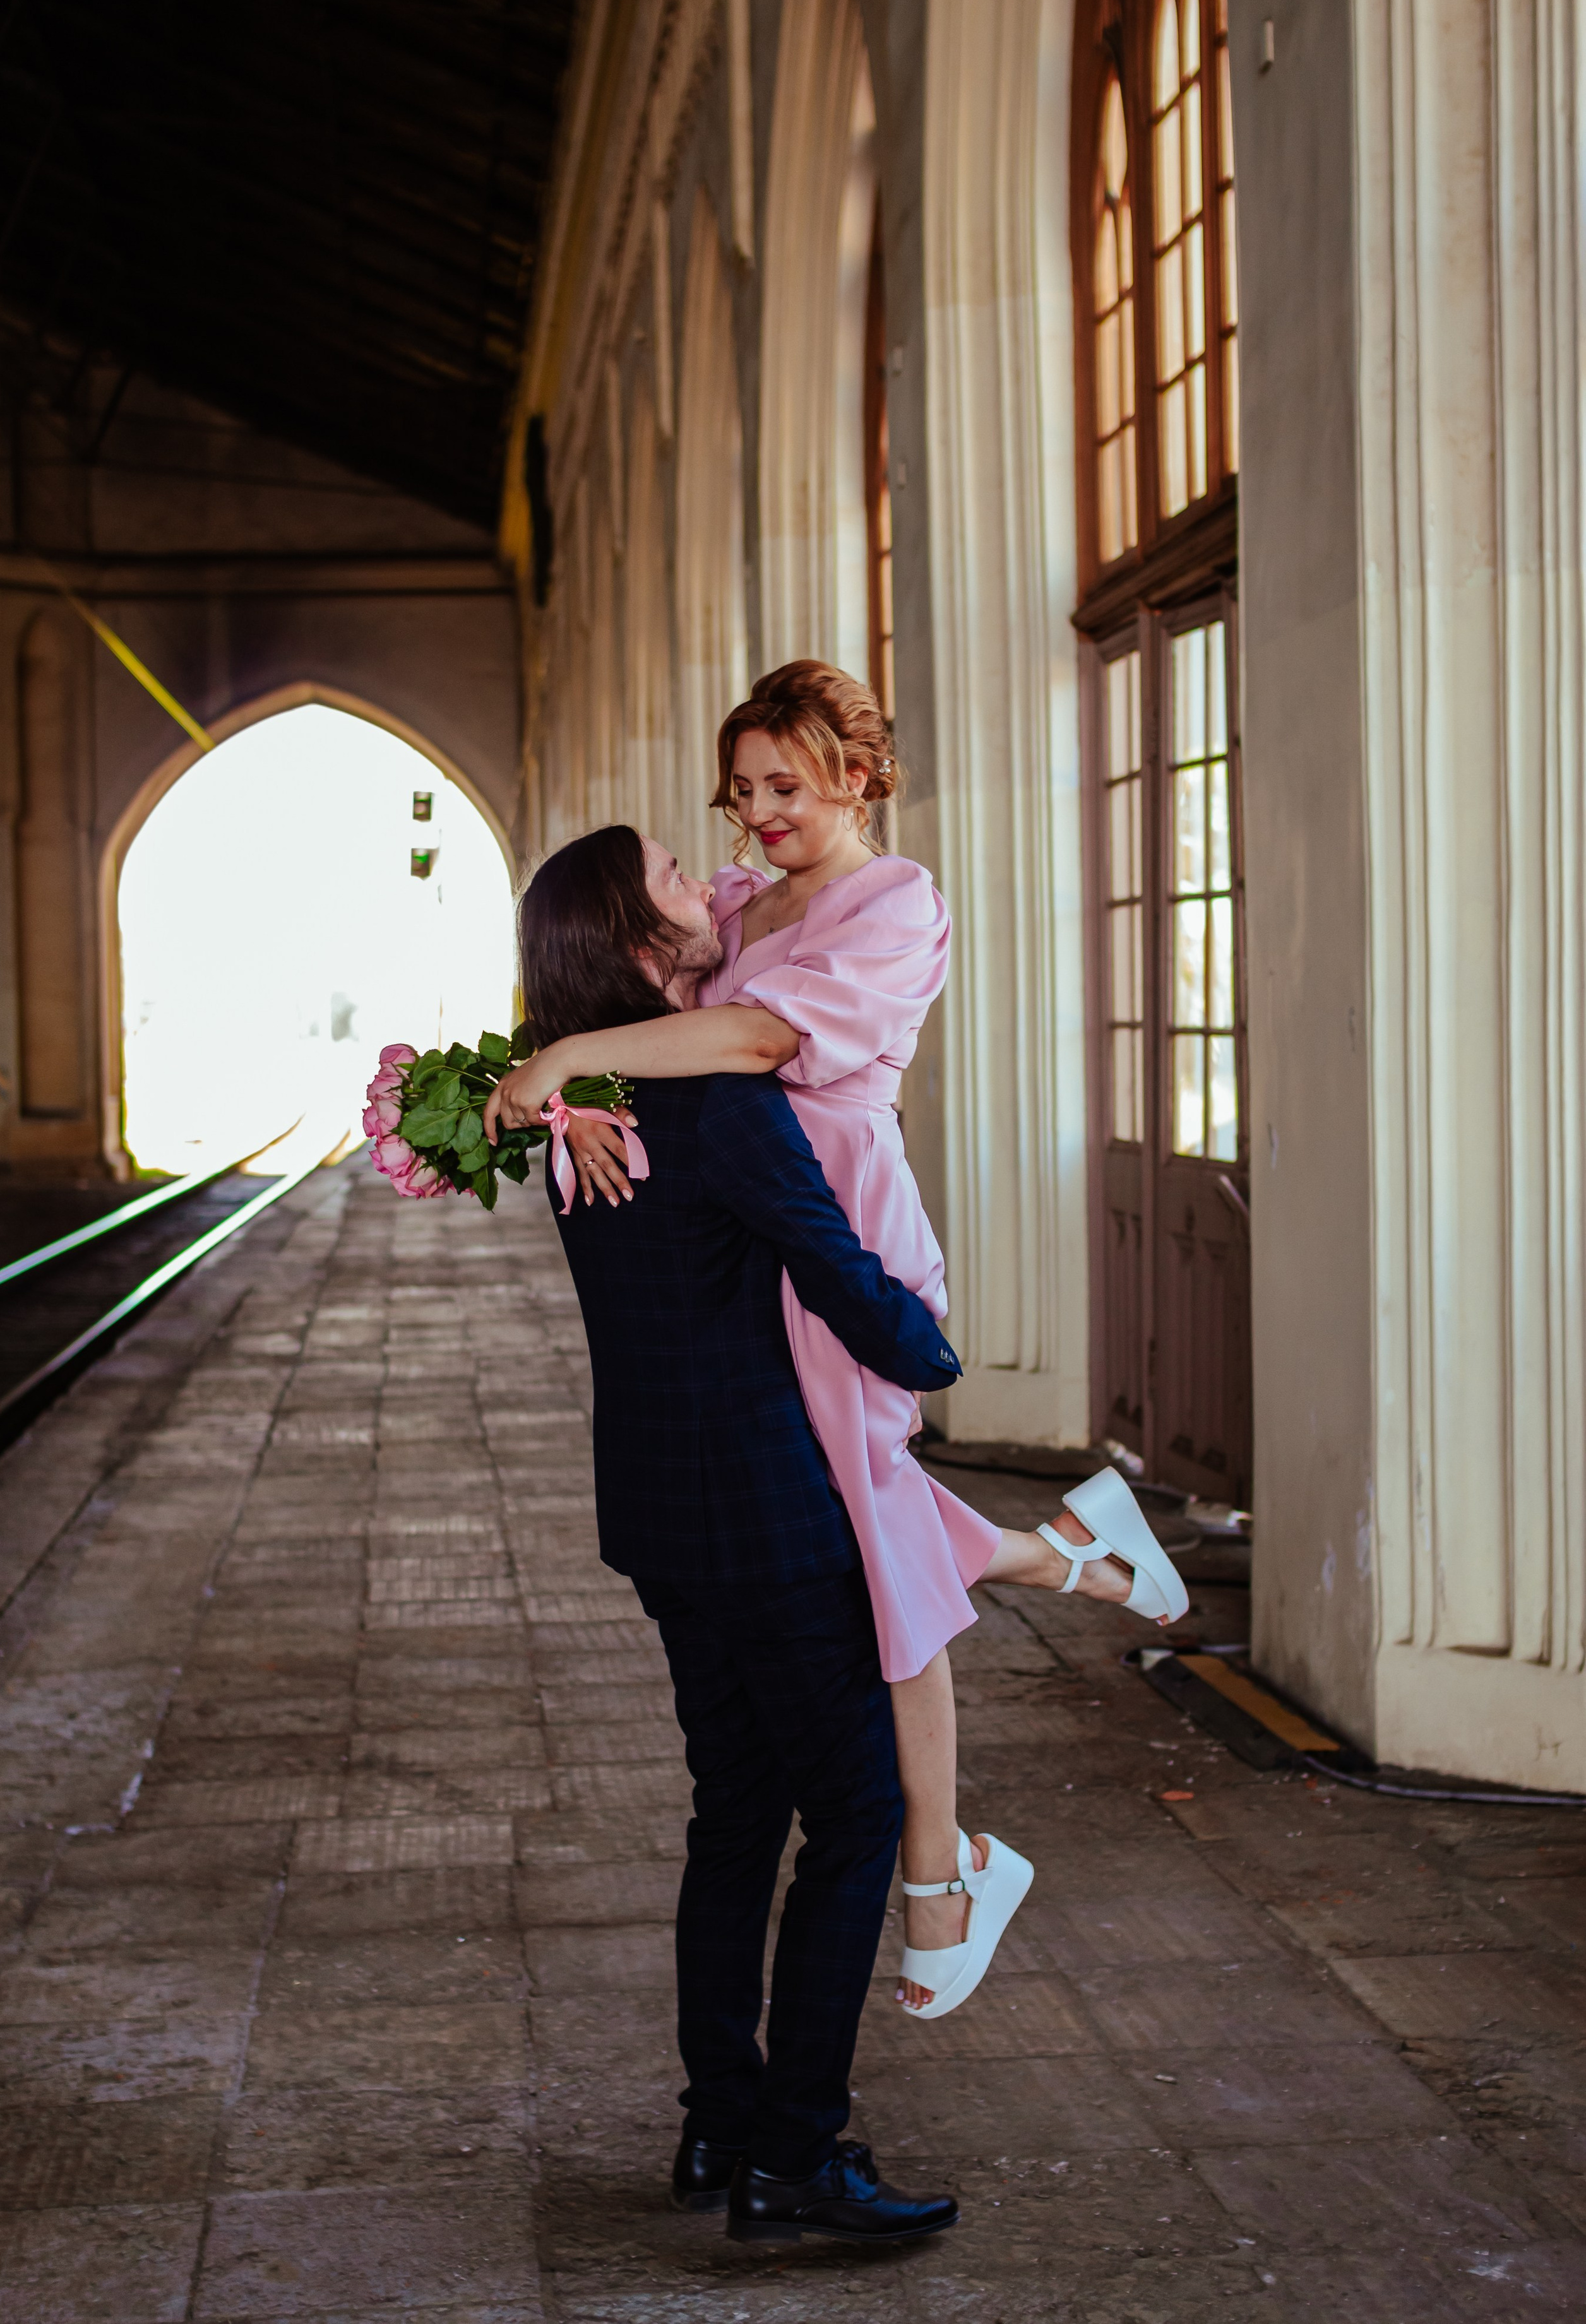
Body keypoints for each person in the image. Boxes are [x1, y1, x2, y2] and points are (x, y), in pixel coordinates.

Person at [488, 663, 1187, 2021]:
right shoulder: (749, 901)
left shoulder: (893, 901)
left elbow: (749, 1034)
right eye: (739, 793)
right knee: (865, 1507)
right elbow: (630, 974)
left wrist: (576, 1069)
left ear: (856, 776)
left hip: (836, 1232)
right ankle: (1071, 1563)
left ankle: (936, 1865)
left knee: (869, 1525)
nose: (755, 819)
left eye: (785, 788)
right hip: (758, 1239)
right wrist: (569, 1087)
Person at [513, 823, 966, 2246]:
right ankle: (796, 2154)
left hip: (655, 1511)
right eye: (666, 878)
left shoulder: (578, 1117)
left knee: (734, 1811)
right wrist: (928, 1352)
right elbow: (828, 1263)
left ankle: (717, 2123)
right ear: (644, 948)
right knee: (854, 1818)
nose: (701, 883)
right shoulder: (708, 1100)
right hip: (767, 1513)